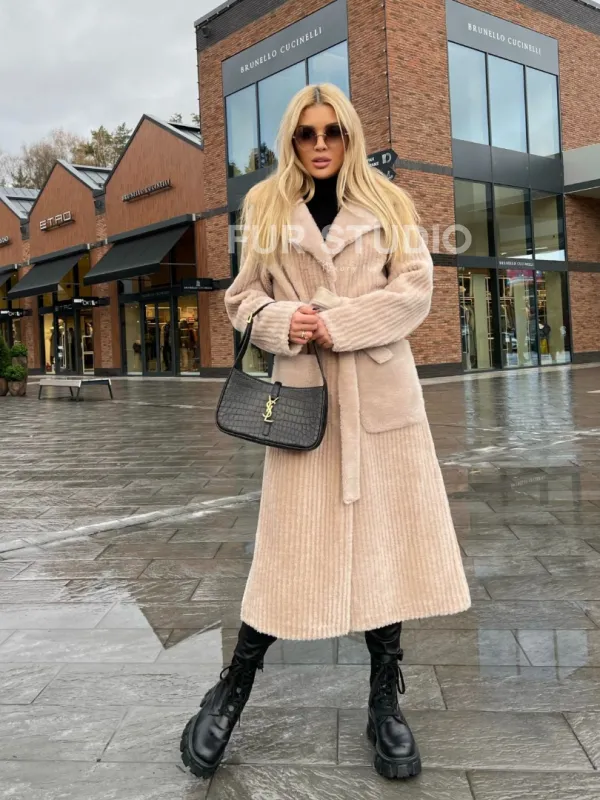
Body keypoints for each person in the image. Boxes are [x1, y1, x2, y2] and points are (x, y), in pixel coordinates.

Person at [180, 83, 471, 781]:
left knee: (384, 548)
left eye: (331, 131)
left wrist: (339, 324)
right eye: (306, 133)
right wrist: (285, 321)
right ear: (291, 139)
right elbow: (242, 299)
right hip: (303, 404)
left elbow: (415, 290)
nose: (319, 144)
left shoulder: (390, 203)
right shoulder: (266, 207)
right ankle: (231, 688)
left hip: (380, 404)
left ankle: (384, 701)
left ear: (349, 135)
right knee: (287, 551)